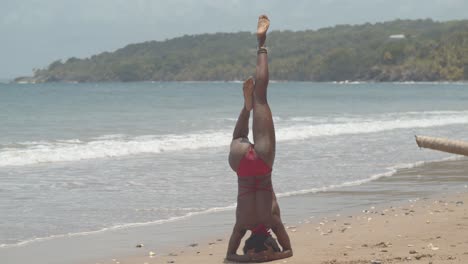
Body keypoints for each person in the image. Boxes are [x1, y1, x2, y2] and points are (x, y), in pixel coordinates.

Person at [225, 15, 293, 262]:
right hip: (241, 165)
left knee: (261, 96)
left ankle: (262, 43)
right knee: (238, 136)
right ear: (247, 242)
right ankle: (245, 107)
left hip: (262, 164)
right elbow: (231, 255)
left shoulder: (273, 221)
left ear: (270, 241)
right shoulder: (240, 226)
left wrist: (269, 256)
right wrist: (252, 258)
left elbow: (289, 251)